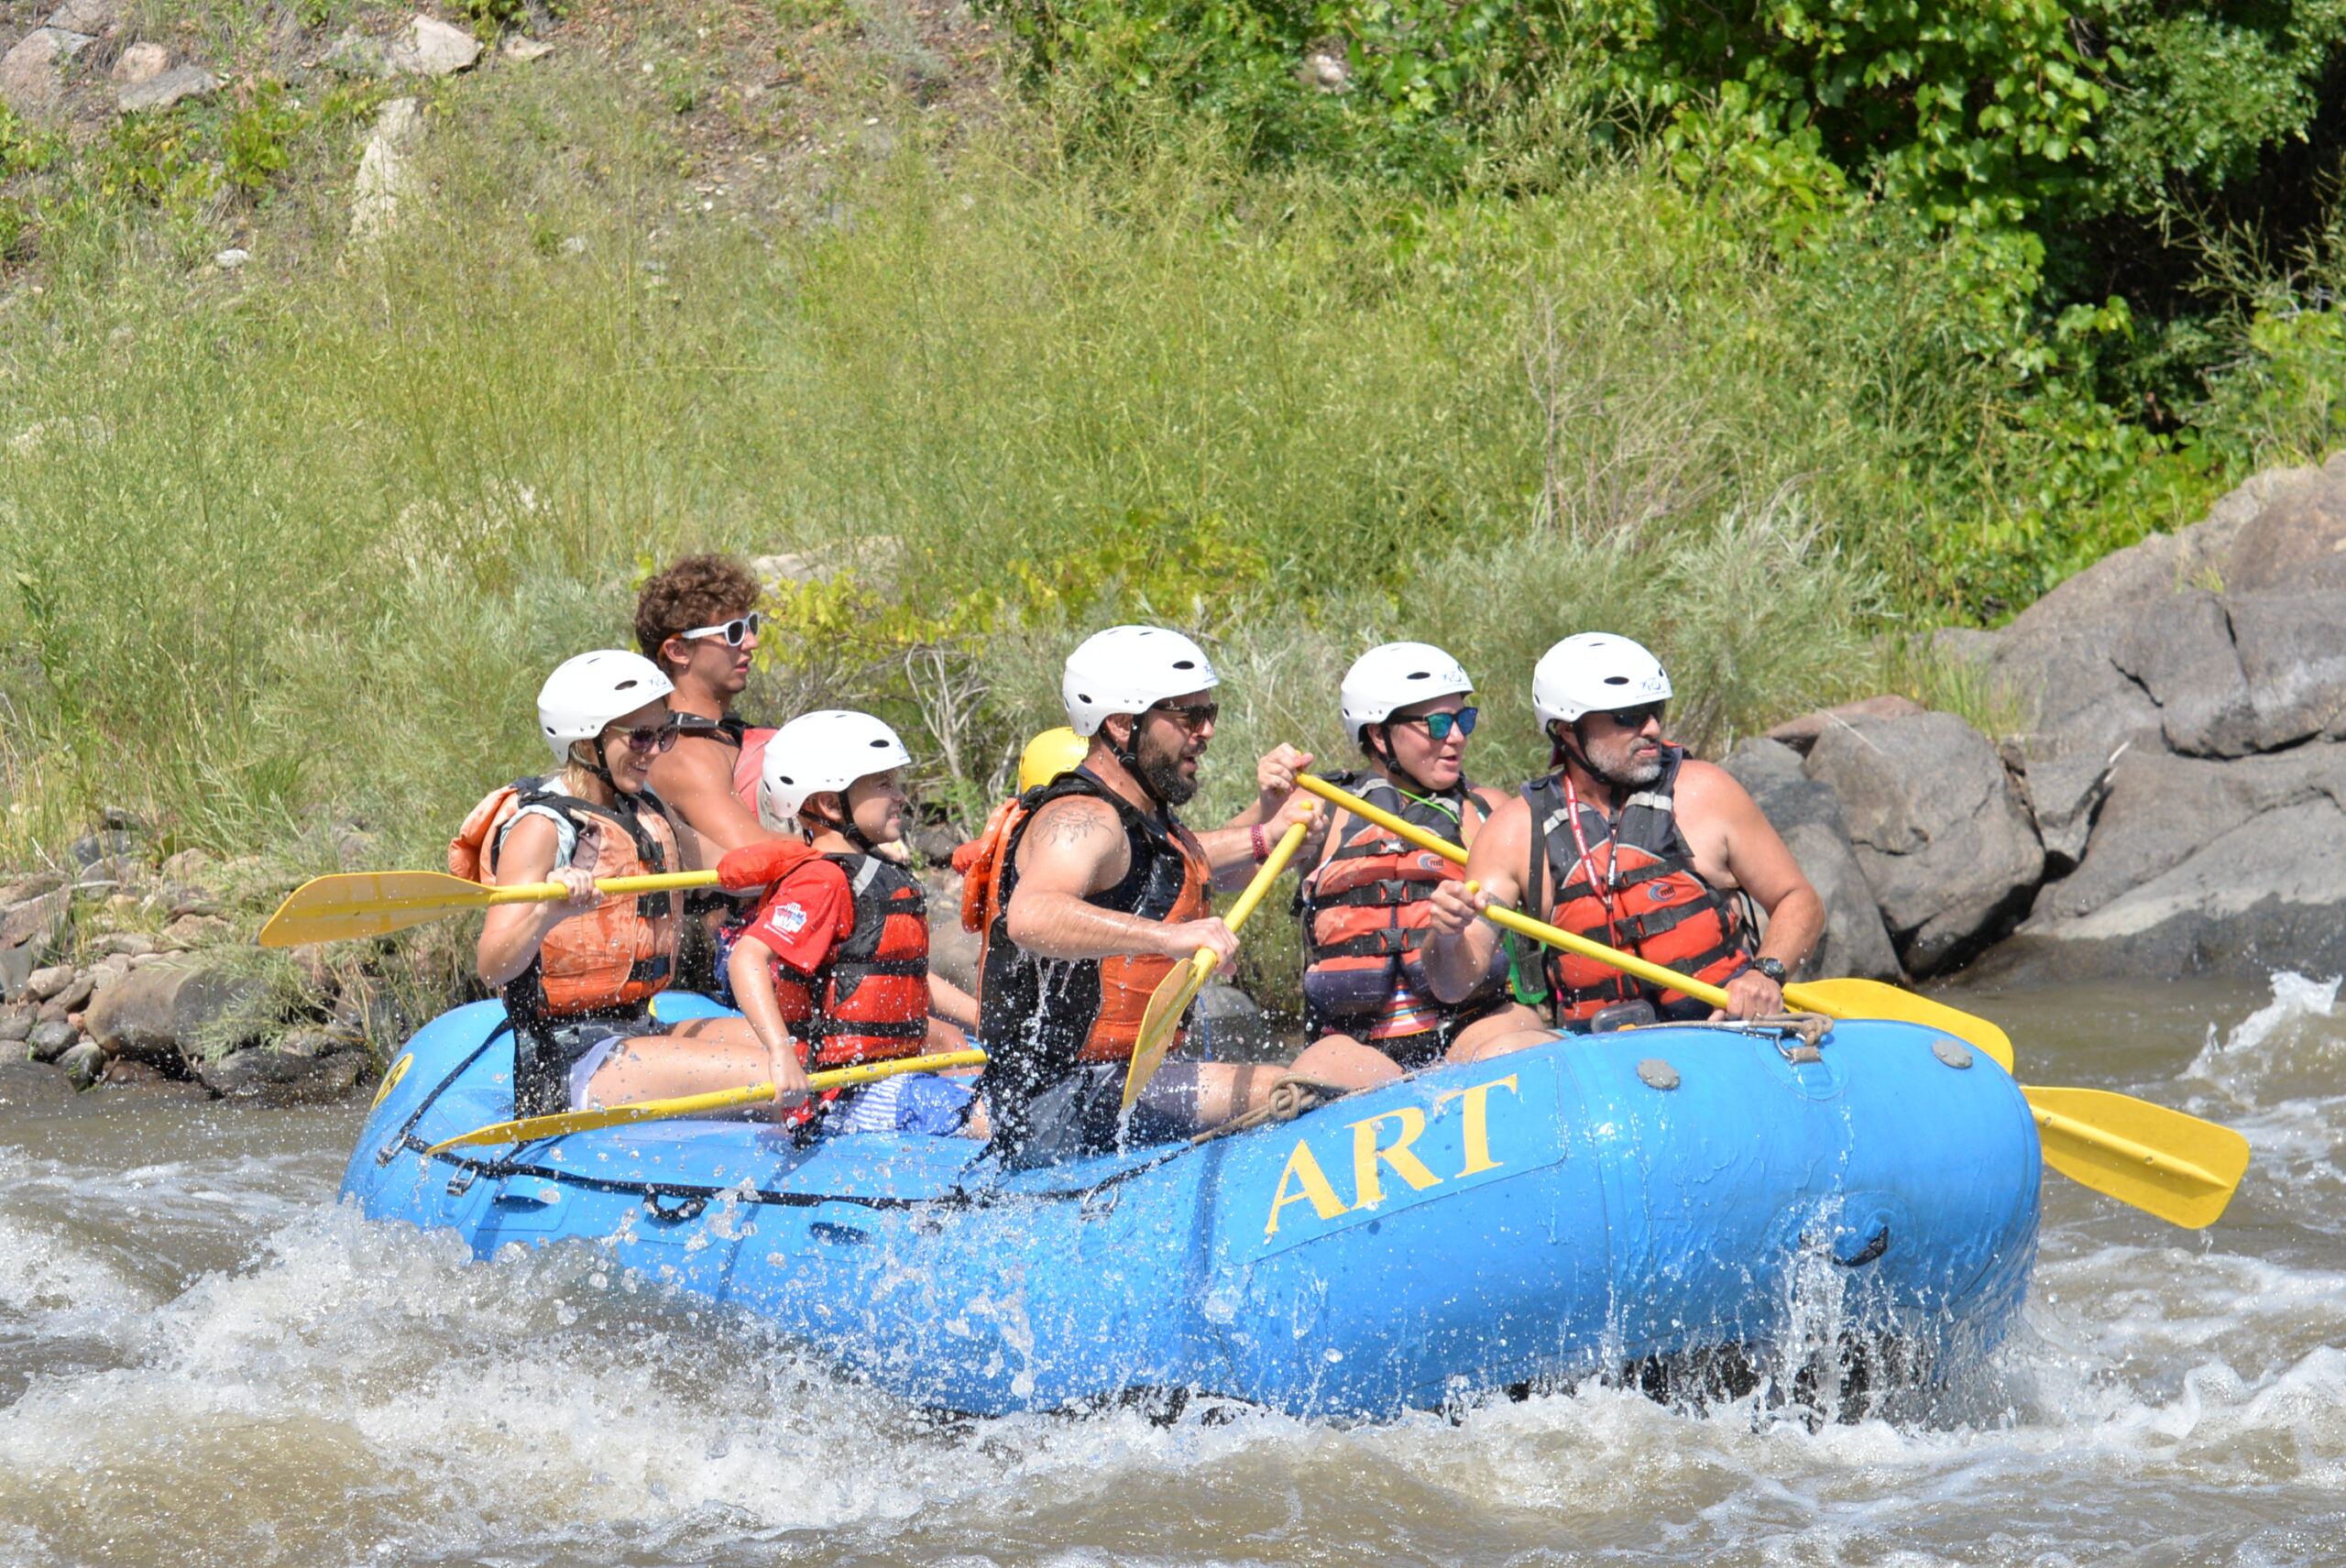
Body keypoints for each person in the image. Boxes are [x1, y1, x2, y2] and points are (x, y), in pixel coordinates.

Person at [962, 625, 1319, 1159]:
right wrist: (1170, 939)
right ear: (1123, 724)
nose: (1207, 732)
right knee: (1288, 1089)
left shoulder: (1143, 820)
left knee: (1320, 1070)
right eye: (1188, 716)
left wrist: (1268, 830)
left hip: (1111, 1082)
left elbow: (1195, 867)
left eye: (1209, 713)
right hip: (1055, 1100)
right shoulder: (1082, 817)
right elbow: (1032, 916)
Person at [452, 651, 815, 1118]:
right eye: (641, 736)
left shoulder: (647, 811)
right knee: (779, 1072)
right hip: (568, 1063)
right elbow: (492, 966)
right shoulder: (542, 828)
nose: (655, 751)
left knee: (813, 1045)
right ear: (585, 742)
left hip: (641, 1030)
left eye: (664, 734)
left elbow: (736, 872)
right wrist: (547, 913)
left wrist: (819, 864)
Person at [1420, 633, 1824, 1048]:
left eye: (1654, 711)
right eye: (1628, 717)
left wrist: (1766, 973)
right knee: (1498, 1048)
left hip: (1723, 1035)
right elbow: (1452, 986)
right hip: (1597, 1057)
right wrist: (1447, 936)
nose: (1653, 728)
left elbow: (1799, 899)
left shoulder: (1706, 792)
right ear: (1568, 731)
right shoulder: (1514, 832)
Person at [1257, 642, 1541, 1088]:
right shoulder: (1317, 809)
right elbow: (1220, 873)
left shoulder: (1491, 814)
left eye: (1463, 719)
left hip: (1476, 1026)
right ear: (1377, 735)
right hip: (1358, 1046)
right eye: (1438, 723)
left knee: (1514, 1042)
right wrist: (1265, 807)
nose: (1457, 737)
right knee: (1315, 1073)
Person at [728, 710, 981, 1135]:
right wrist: (780, 1051)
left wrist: (983, 1018)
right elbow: (747, 956)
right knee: (996, 1120)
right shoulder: (823, 880)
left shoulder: (865, 873)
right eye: (883, 784)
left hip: (889, 1076)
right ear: (830, 802)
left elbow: (906, 979)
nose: (900, 796)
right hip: (844, 1093)